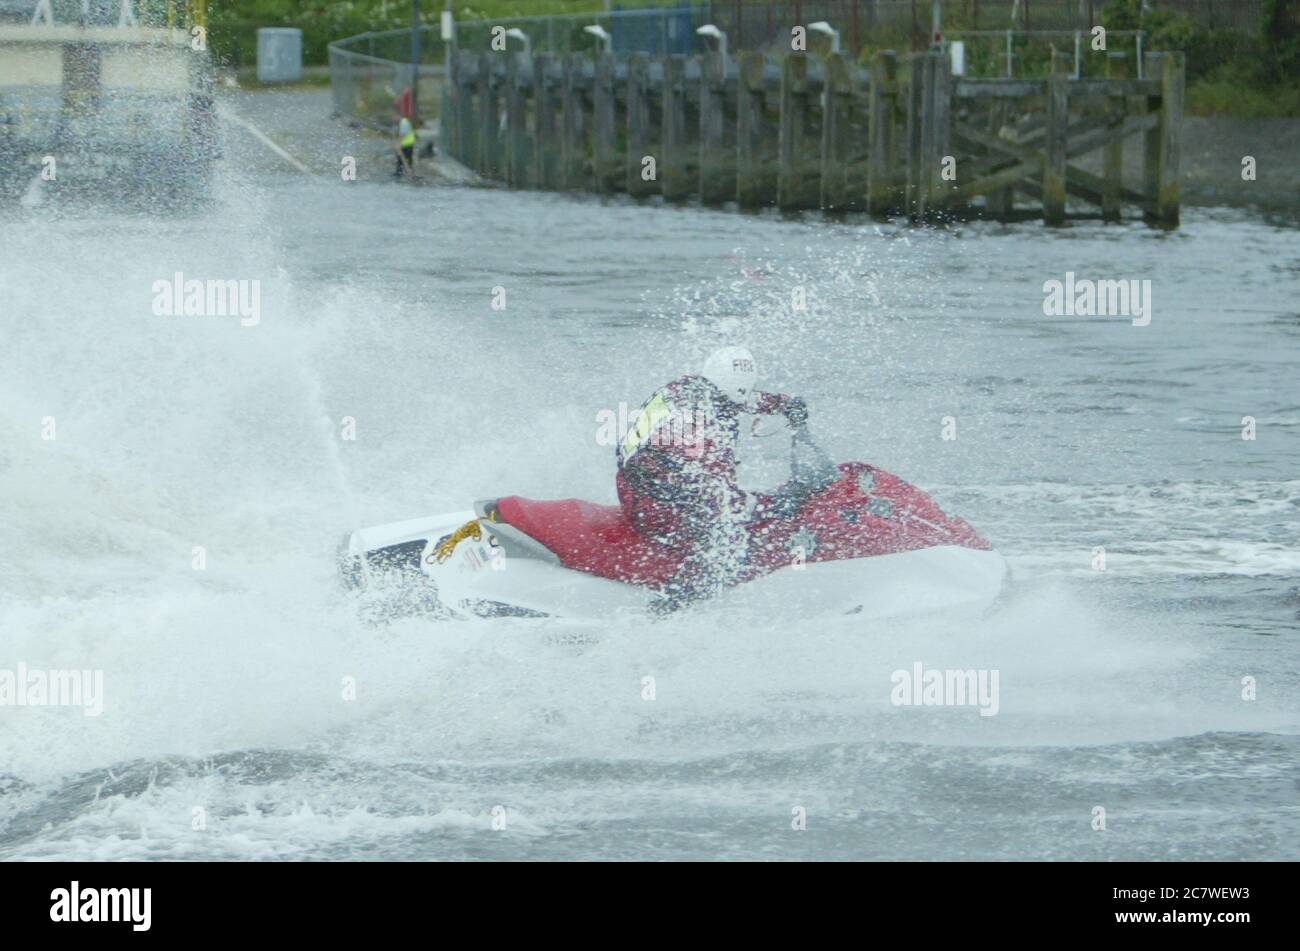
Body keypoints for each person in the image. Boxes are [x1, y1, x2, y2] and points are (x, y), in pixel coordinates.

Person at [616, 346, 808, 610]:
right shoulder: (696, 420)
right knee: (722, 534)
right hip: (649, 497)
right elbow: (714, 484)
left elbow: (745, 399)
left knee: (726, 507)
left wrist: (784, 405)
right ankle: (673, 603)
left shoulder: (695, 388)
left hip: (648, 482)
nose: (737, 406)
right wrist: (761, 504)